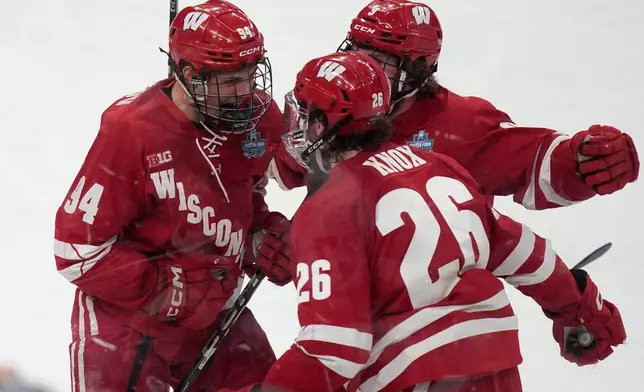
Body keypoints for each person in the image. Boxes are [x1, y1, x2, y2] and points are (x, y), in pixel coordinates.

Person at [229, 51, 626, 392]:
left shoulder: (329, 208)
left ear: (321, 126)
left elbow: (334, 348)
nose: (293, 123)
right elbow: (519, 250)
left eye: (301, 111)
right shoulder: (438, 165)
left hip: (418, 377)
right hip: (495, 368)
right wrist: (577, 307)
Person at [53, 1, 292, 391]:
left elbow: (251, 190)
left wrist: (259, 238)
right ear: (186, 73)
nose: (246, 91)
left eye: (250, 74)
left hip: (217, 311)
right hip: (128, 323)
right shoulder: (132, 131)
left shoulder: (258, 118)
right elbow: (76, 250)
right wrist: (168, 287)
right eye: (230, 80)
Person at [269, 0, 639, 207]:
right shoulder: (339, 100)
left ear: (416, 69)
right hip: (350, 299)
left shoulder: (461, 124)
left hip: (435, 310)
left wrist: (581, 160)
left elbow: (534, 160)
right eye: (357, 51)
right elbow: (282, 164)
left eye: (379, 60)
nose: (362, 67)